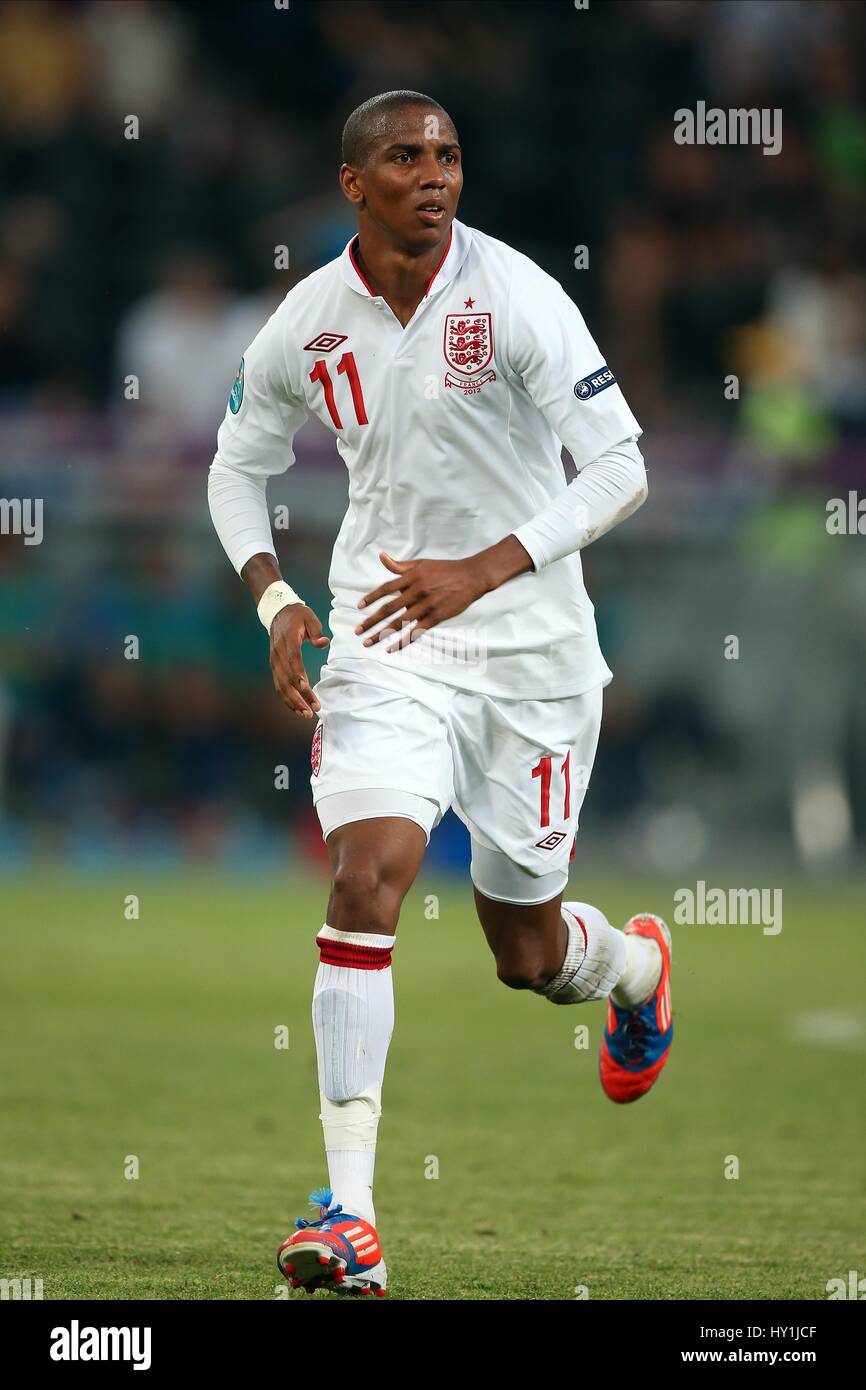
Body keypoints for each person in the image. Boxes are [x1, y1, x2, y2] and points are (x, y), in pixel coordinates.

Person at [208, 91, 673, 1298]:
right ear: (351, 183)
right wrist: (273, 596)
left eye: (449, 154)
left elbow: (622, 463)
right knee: (365, 874)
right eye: (405, 157)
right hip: (384, 637)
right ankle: (349, 1215)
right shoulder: (308, 323)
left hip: (531, 660)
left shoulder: (516, 293)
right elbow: (236, 461)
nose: (434, 173)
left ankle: (629, 970)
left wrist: (486, 565)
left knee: (523, 950)